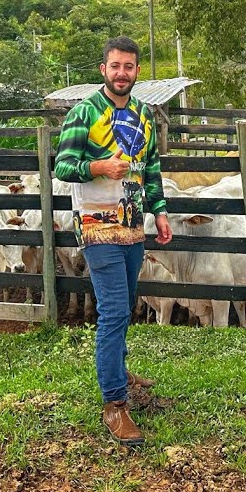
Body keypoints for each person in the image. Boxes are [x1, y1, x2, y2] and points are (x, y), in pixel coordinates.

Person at [54, 35, 172, 447]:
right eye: (115, 66)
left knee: (124, 306)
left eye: (129, 66)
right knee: (115, 311)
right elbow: (63, 166)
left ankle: (117, 372)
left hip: (134, 224)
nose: (122, 73)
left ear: (137, 71)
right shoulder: (84, 113)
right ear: (103, 70)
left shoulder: (143, 114)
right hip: (97, 225)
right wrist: (97, 165)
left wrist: (159, 211)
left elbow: (151, 168)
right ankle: (114, 404)